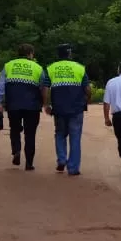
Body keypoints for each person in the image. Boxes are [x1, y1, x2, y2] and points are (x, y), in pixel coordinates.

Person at [40, 43, 91, 176]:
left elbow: (45, 88)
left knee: (60, 134)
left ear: (59, 54)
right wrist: (86, 100)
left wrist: (46, 105)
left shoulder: (51, 68)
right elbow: (87, 88)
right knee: (75, 137)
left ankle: (62, 159)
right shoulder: (79, 68)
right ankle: (73, 168)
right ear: (69, 54)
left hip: (59, 108)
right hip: (76, 108)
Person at [0, 43, 45, 170]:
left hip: (13, 104)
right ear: (30, 54)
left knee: (15, 129)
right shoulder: (38, 68)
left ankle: (16, 151)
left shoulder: (9, 66)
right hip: (32, 106)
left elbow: (1, 85)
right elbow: (43, 87)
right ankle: (29, 163)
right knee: (30, 133)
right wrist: (44, 102)